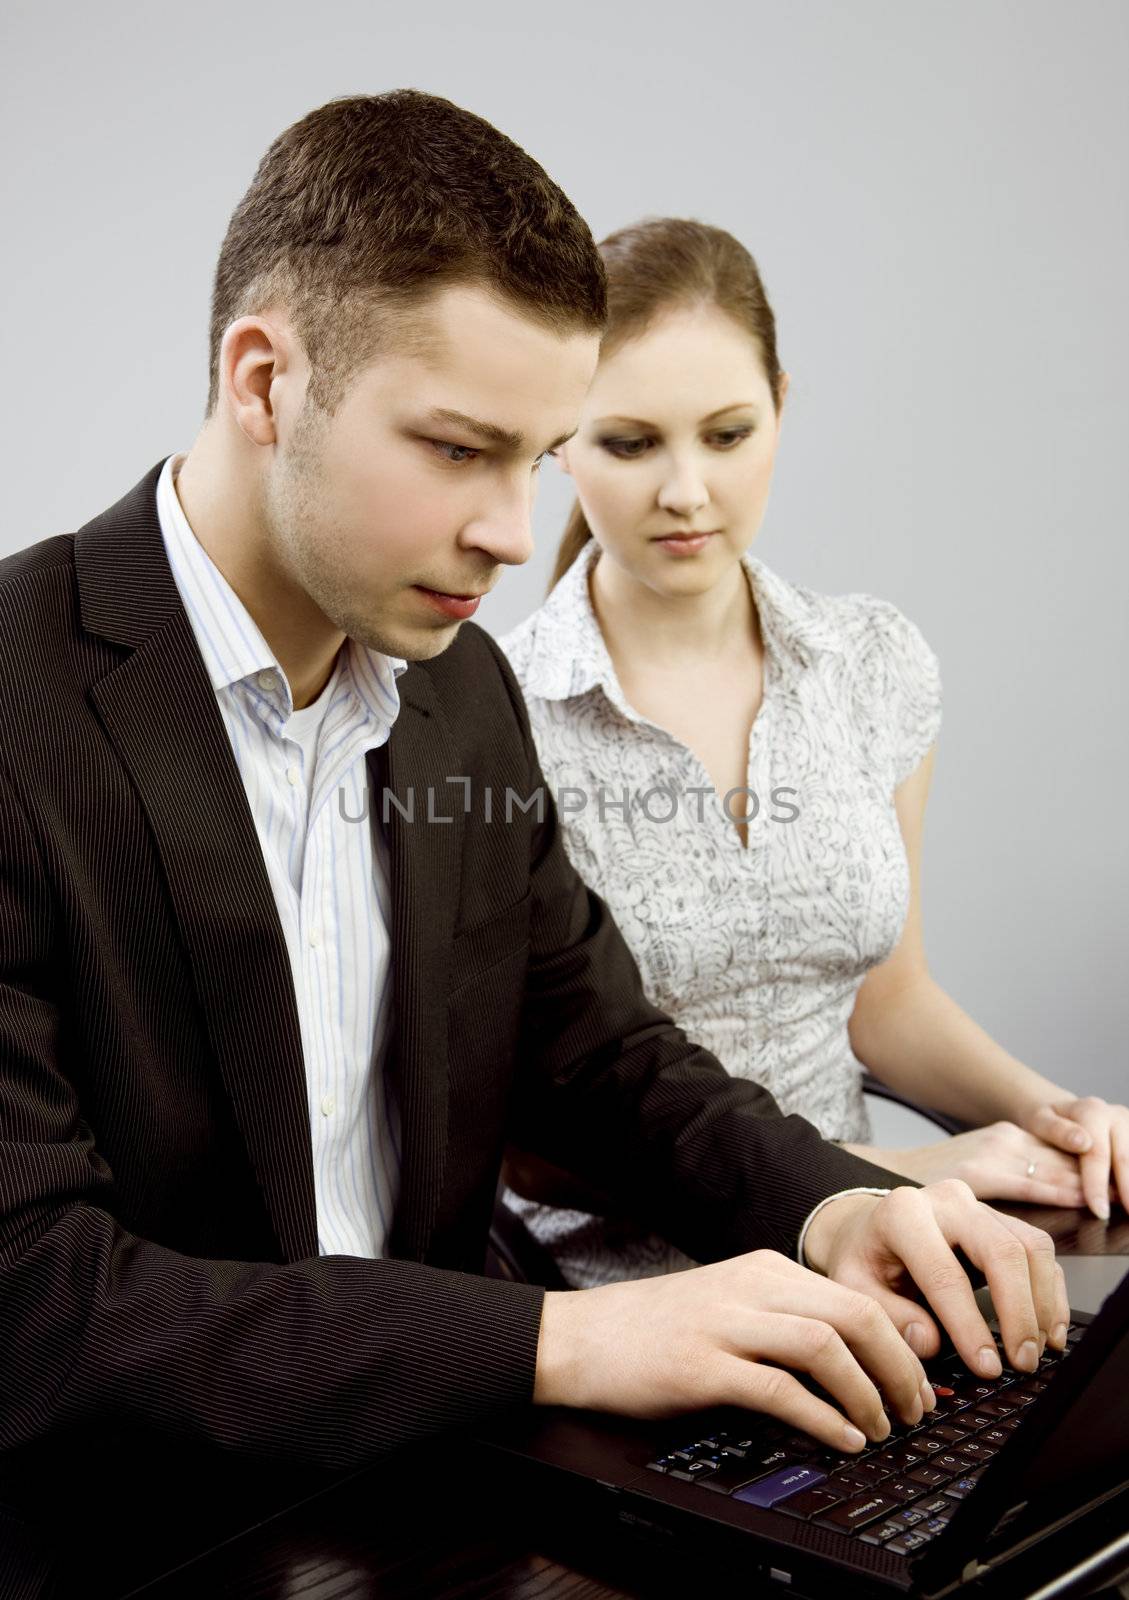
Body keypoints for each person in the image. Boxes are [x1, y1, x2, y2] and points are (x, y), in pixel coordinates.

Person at [0, 94, 1068, 1593]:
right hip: (143, 1541)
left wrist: (841, 1204)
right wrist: (565, 1338)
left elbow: (605, 1055)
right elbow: (37, 1302)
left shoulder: (461, 695)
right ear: (262, 378)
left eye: (543, 457)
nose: (516, 533)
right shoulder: (15, 708)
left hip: (459, 1500)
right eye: (458, 450)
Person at [498, 217, 1128, 1291]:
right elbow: (523, 1133)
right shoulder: (499, 716)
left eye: (728, 434)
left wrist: (1057, 1119)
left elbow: (888, 1005)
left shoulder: (871, 662)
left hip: (887, 1273)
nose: (686, 492)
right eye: (629, 441)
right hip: (628, 1303)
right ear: (559, 441)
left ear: (782, 408)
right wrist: (891, 1174)